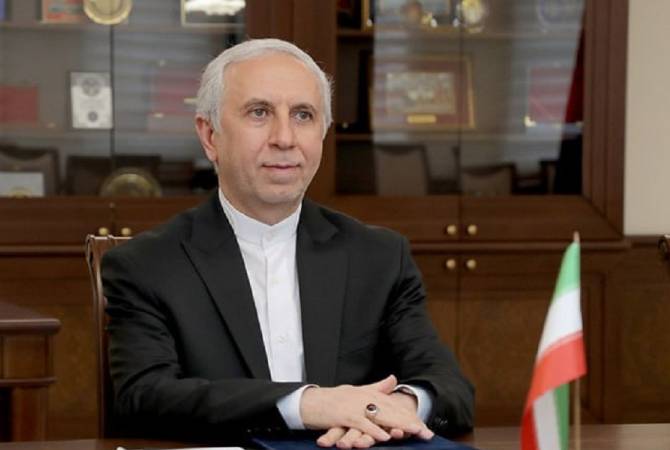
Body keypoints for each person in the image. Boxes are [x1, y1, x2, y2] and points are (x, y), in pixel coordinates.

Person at [102, 38, 474, 448]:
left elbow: (449, 386)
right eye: (259, 113)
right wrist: (307, 404)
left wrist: (397, 406)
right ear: (210, 136)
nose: (284, 138)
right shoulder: (147, 265)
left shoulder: (380, 257)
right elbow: (144, 397)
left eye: (303, 115)